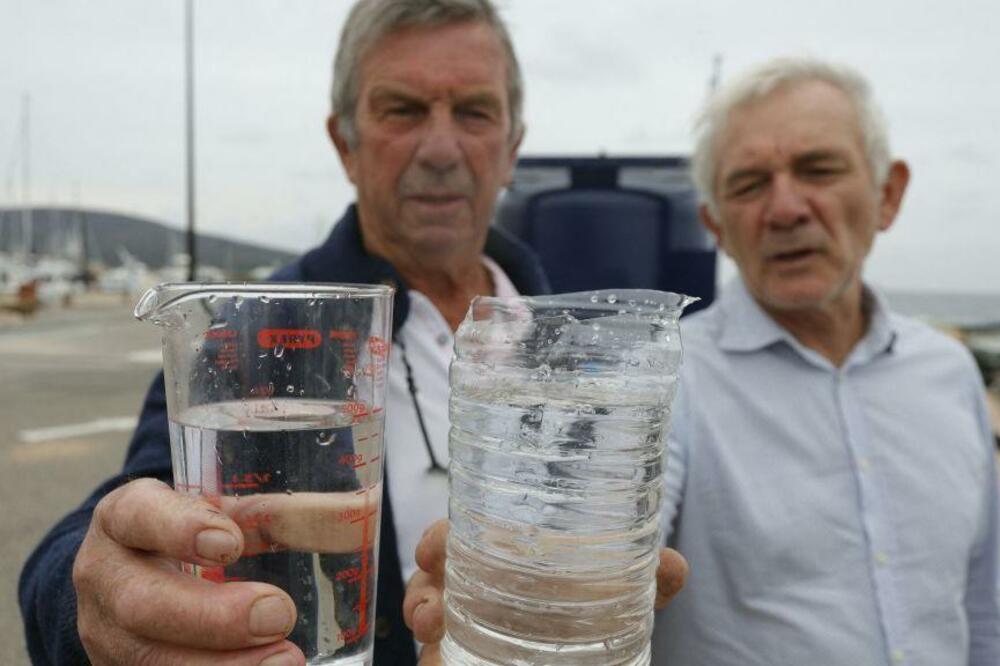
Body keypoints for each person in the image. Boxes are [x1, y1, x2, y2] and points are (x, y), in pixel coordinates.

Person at [19, 2, 688, 665]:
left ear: (512, 146)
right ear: (345, 143)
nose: (441, 148)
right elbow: (102, 538)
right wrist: (99, 604)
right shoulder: (257, 328)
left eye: (475, 113)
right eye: (402, 109)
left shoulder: (579, 336)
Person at [404, 56, 1000, 665]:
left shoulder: (949, 373)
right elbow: (595, 536)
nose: (787, 208)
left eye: (819, 169)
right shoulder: (664, 378)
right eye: (748, 184)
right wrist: (516, 585)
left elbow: (981, 606)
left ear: (888, 194)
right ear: (714, 223)